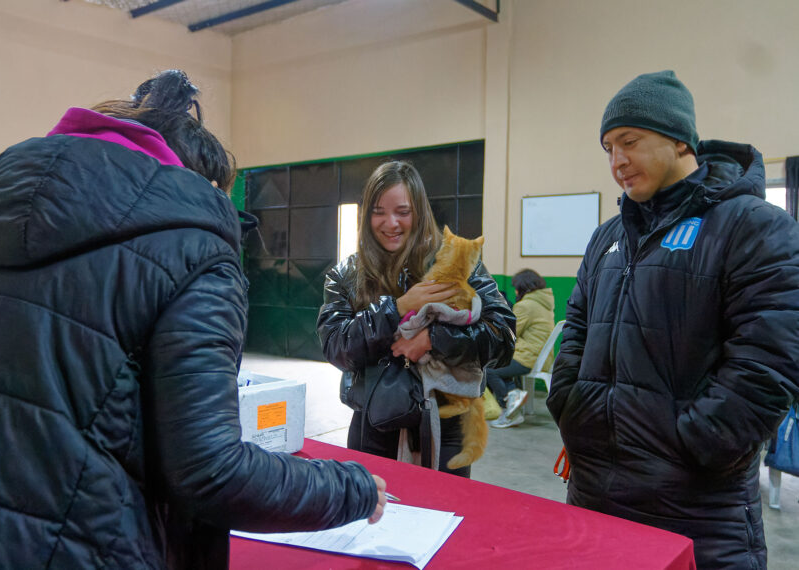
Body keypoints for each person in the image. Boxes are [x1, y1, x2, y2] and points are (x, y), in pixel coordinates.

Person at [0, 70, 386, 569]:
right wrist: (349, 488)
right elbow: (211, 472)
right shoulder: (194, 245)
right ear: (202, 185)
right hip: (79, 544)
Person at [546, 70, 799, 569]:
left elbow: (771, 361)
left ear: (680, 139)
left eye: (630, 142)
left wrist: (698, 443)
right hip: (593, 497)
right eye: (608, 148)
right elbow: (576, 326)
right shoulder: (607, 238)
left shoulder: (754, 226)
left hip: (697, 512)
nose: (617, 162)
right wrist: (570, 405)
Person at [318, 160, 515, 478]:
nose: (390, 222)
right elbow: (335, 345)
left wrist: (434, 339)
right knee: (370, 520)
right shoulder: (347, 273)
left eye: (403, 211)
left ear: (419, 212)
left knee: (444, 515)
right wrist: (394, 310)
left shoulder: (456, 261)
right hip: (372, 426)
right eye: (378, 211)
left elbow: (502, 336)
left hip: (445, 428)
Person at [487, 268, 555, 428]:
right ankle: (513, 395)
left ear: (522, 287)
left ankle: (508, 410)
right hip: (539, 357)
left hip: (527, 358)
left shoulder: (526, 305)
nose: (515, 290)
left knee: (488, 369)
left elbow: (510, 334)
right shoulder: (543, 303)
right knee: (500, 364)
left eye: (516, 287)